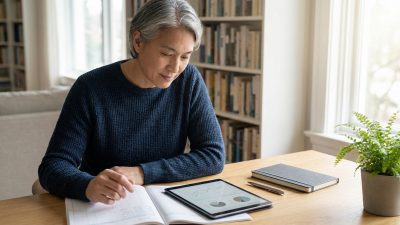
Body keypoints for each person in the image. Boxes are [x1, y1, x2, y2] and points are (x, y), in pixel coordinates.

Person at [38, 0, 225, 205]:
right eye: (166, 54)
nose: (175, 67)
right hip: (104, 207)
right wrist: (87, 185)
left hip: (165, 204)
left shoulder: (188, 80)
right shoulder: (90, 88)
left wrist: (142, 173)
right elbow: (53, 166)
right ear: (138, 41)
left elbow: (213, 155)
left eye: (185, 56)